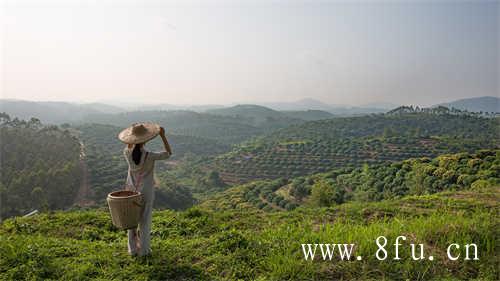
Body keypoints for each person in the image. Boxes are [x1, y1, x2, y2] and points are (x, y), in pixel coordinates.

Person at [118, 123, 172, 256]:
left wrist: (131, 139)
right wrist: (162, 136)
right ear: (146, 140)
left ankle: (132, 250)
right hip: (146, 192)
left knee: (131, 221)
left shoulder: (127, 153)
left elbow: (129, 145)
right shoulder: (150, 155)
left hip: (131, 191)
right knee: (145, 220)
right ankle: (144, 251)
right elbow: (168, 154)